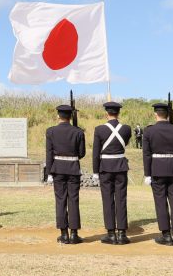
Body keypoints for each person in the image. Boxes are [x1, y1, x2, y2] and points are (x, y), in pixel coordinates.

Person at [143, 102, 173, 246]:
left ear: (156, 114)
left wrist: (147, 174)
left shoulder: (149, 131)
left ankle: (166, 235)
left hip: (157, 170)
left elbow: (146, 155)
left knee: (160, 203)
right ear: (169, 115)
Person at [45, 104, 86, 245]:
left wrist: (49, 172)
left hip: (58, 169)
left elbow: (49, 153)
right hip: (73, 168)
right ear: (70, 117)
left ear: (58, 116)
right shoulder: (79, 132)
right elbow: (82, 153)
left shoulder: (51, 132)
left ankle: (64, 234)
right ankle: (74, 234)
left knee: (60, 200)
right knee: (73, 200)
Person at [91, 102, 131, 245]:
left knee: (107, 200)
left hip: (105, 167)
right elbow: (123, 144)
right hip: (120, 166)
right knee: (121, 199)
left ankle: (111, 233)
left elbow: (95, 152)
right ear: (118, 113)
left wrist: (95, 171)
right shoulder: (126, 129)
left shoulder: (99, 129)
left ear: (106, 113)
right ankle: (122, 233)